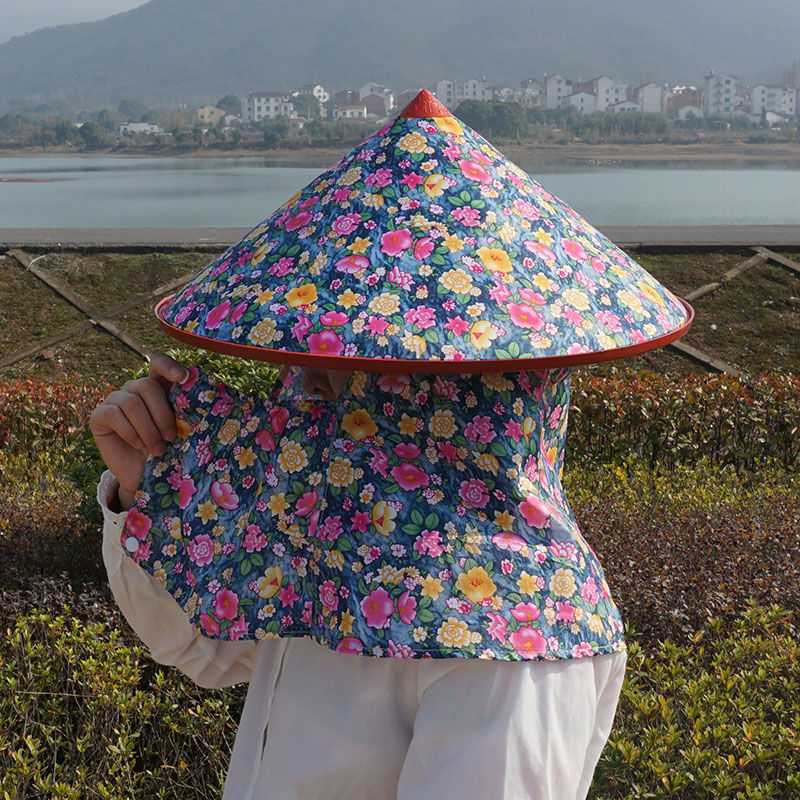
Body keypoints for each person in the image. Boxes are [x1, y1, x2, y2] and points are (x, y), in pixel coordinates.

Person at [91, 351, 628, 800]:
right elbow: (201, 647)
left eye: (356, 356)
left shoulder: (517, 631)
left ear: (447, 383)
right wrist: (146, 493)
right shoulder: (351, 539)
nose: (309, 377)